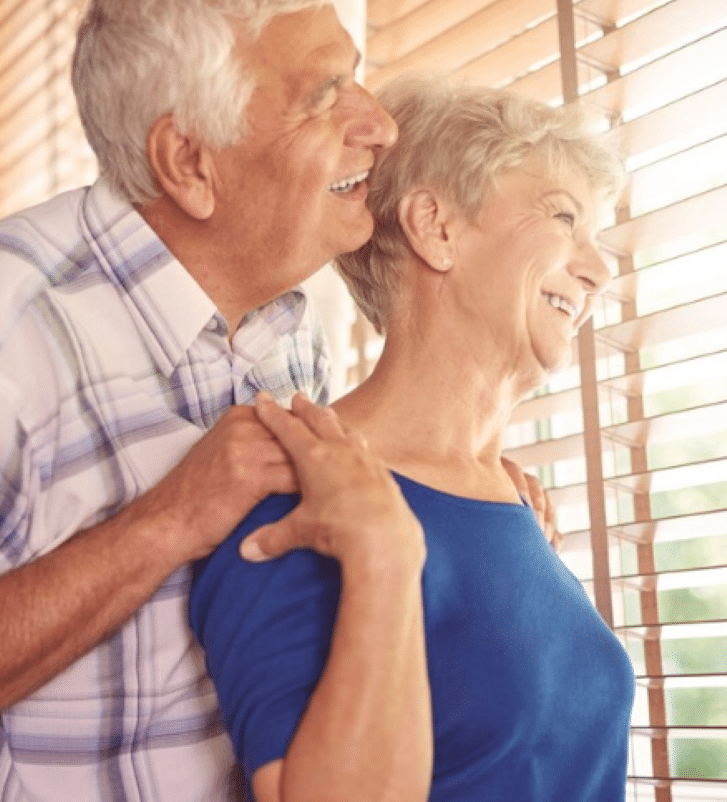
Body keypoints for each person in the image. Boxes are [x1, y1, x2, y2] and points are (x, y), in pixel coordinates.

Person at [0, 1, 411, 798]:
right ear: (189, 163)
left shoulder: (289, 331)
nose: (379, 125)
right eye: (323, 94)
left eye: (358, 81)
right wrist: (168, 520)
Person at [189, 76, 637, 802]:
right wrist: (384, 548)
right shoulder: (297, 492)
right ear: (436, 226)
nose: (600, 267)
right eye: (563, 218)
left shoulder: (514, 505)